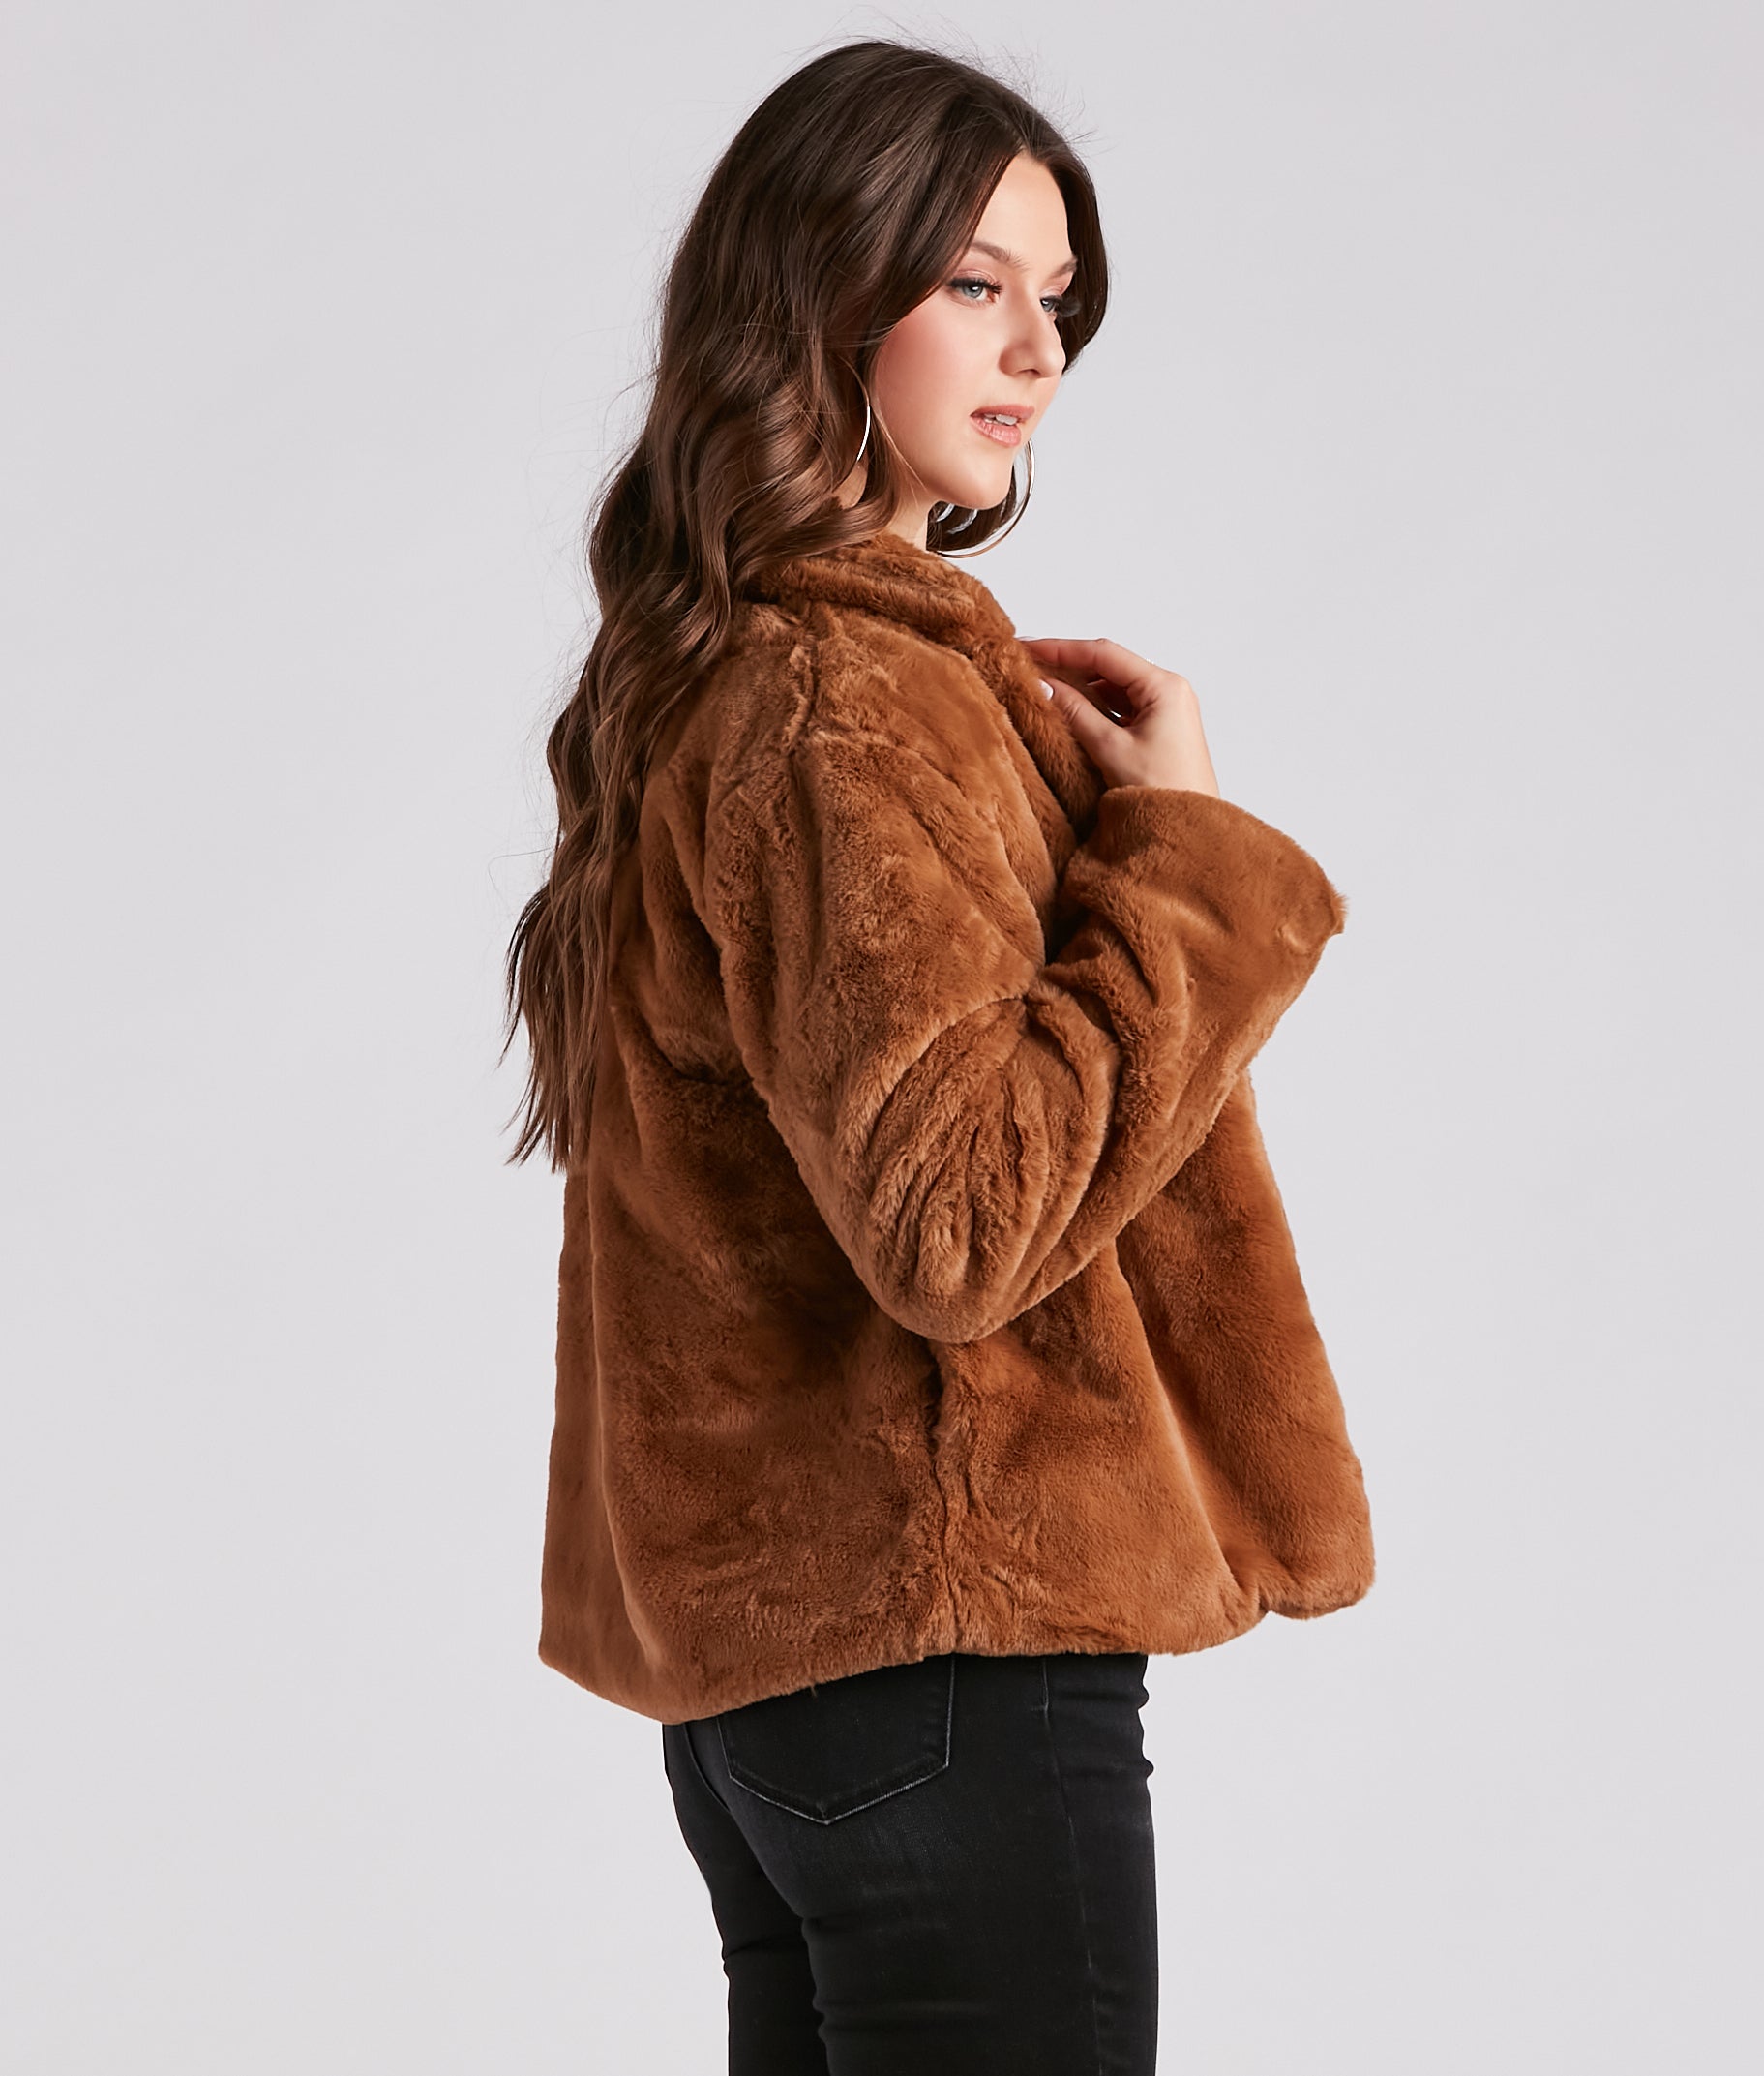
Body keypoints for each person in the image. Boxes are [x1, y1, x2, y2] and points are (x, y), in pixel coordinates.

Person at [501, 36, 1375, 2076]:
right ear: (821, 285)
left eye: (1055, 297)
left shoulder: (723, 673)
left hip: (801, 1680)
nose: (1038, 348)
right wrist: (1184, 871)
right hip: (949, 1638)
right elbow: (957, 1220)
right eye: (975, 281)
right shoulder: (843, 697)